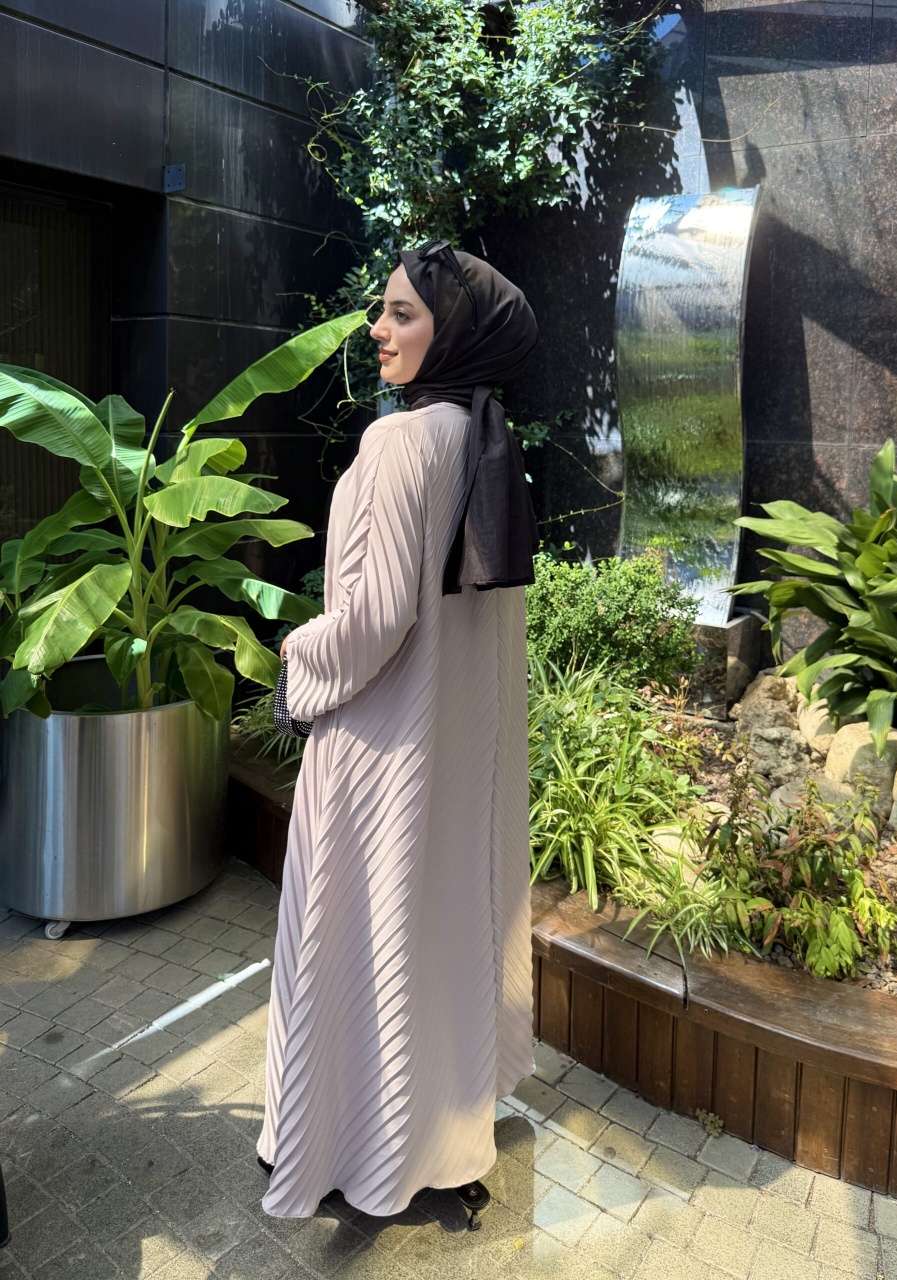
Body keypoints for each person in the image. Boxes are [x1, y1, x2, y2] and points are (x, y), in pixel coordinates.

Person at [255, 240, 540, 1226]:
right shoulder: (485, 442)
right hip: (457, 745)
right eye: (382, 311)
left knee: (357, 944)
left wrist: (297, 656)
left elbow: (374, 619)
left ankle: (341, 1146)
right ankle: (439, 1141)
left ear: (450, 332)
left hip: (377, 748)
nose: (378, 328)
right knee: (435, 939)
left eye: (402, 313)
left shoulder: (398, 442)